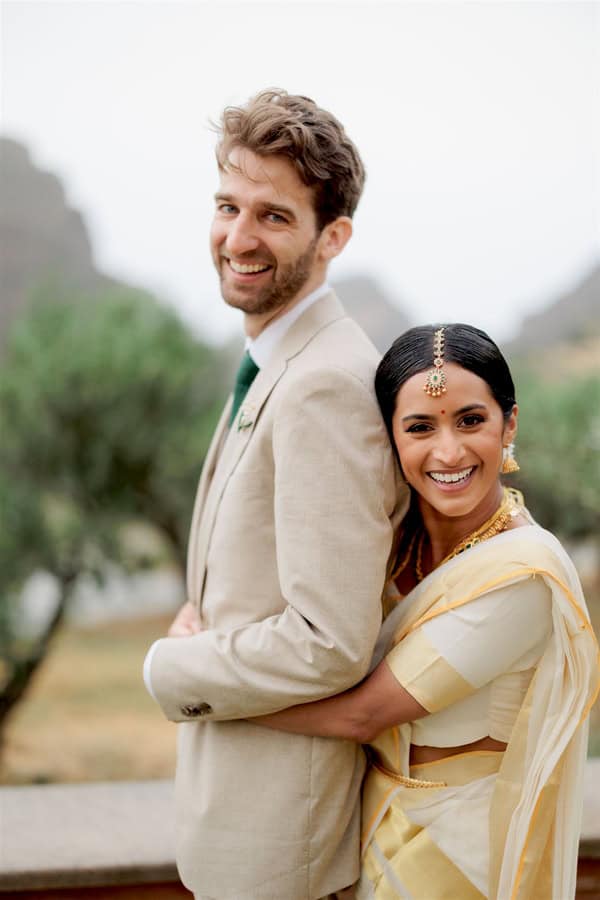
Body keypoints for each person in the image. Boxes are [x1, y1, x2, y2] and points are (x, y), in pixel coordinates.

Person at [143, 89, 406, 899]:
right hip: (239, 827)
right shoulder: (277, 361)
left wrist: (176, 666)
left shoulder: (326, 383)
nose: (238, 237)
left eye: (274, 216)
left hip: (279, 854)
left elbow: (329, 638)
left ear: (334, 237)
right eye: (228, 205)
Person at [253, 323, 600, 899]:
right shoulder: (387, 543)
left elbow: (361, 717)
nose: (448, 451)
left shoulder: (523, 574)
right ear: (390, 437)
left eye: (471, 420)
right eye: (420, 427)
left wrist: (210, 695)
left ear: (509, 423)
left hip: (459, 856)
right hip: (370, 830)